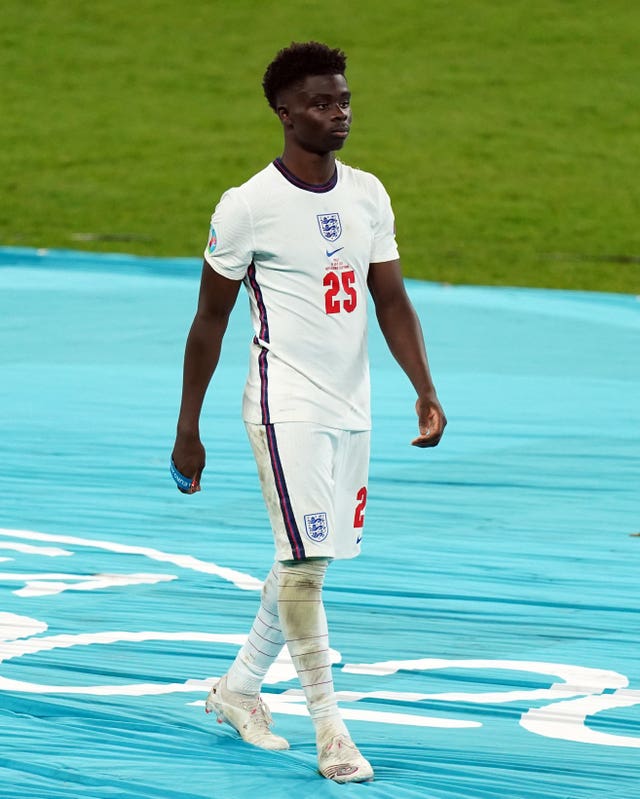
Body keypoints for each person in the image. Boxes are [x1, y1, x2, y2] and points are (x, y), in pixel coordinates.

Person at [171, 41, 446, 784]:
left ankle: (237, 691)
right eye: (323, 103)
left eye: (346, 100)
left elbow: (389, 298)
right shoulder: (247, 206)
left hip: (350, 407)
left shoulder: (367, 194)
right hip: (283, 405)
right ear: (285, 113)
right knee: (302, 563)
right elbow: (208, 322)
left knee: (309, 559)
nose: (340, 114)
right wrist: (187, 426)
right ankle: (331, 729)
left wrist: (423, 386)